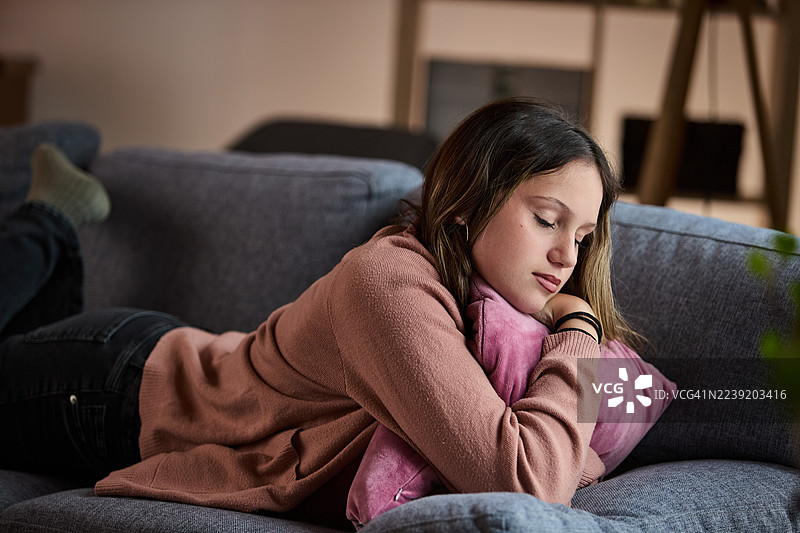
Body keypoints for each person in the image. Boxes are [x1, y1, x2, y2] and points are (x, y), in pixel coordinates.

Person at [0, 98, 637, 529]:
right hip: (117, 386)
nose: (566, 257)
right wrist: (579, 326)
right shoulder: (389, 285)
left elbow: (610, 433)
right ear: (467, 204)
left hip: (157, 359)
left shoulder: (501, 312)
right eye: (547, 219)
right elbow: (530, 484)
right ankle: (48, 217)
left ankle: (55, 234)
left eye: (583, 237)